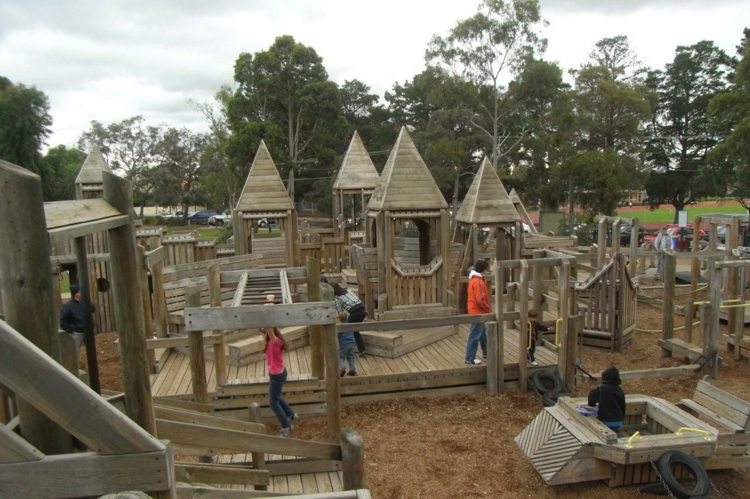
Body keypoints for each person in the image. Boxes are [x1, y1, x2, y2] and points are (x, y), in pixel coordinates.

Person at [263, 326, 298, 437]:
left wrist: (266, 318)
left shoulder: (275, 341)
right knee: (276, 397)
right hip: (278, 374)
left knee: (273, 402)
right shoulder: (269, 343)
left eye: (264, 332)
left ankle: (286, 426)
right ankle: (291, 414)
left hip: (277, 376)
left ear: (270, 332)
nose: (262, 334)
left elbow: (269, 327)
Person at [331, 282, 367, 356]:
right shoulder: (348, 290)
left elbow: (340, 313)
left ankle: (343, 349)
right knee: (354, 330)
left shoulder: (337, 298)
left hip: (355, 312)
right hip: (362, 309)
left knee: (347, 329)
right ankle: (361, 349)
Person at [465, 259, 490, 365]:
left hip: (474, 309)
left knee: (482, 332)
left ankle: (486, 352)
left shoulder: (474, 279)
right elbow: (480, 299)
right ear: (484, 269)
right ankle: (470, 357)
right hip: (478, 311)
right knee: (475, 334)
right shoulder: (478, 281)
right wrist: (487, 307)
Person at [588, 366, 626, 431]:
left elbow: (591, 396)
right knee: (615, 434)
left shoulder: (601, 389)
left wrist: (591, 405)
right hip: (617, 421)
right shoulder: (619, 390)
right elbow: (623, 405)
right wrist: (622, 417)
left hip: (605, 420)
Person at [59, 284, 94, 351]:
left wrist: (88, 301)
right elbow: (63, 321)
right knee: (75, 351)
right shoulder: (68, 306)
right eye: (80, 291)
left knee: (91, 351)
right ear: (76, 294)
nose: (82, 293)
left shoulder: (84, 303)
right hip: (77, 334)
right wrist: (72, 330)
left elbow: (92, 309)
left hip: (88, 332)